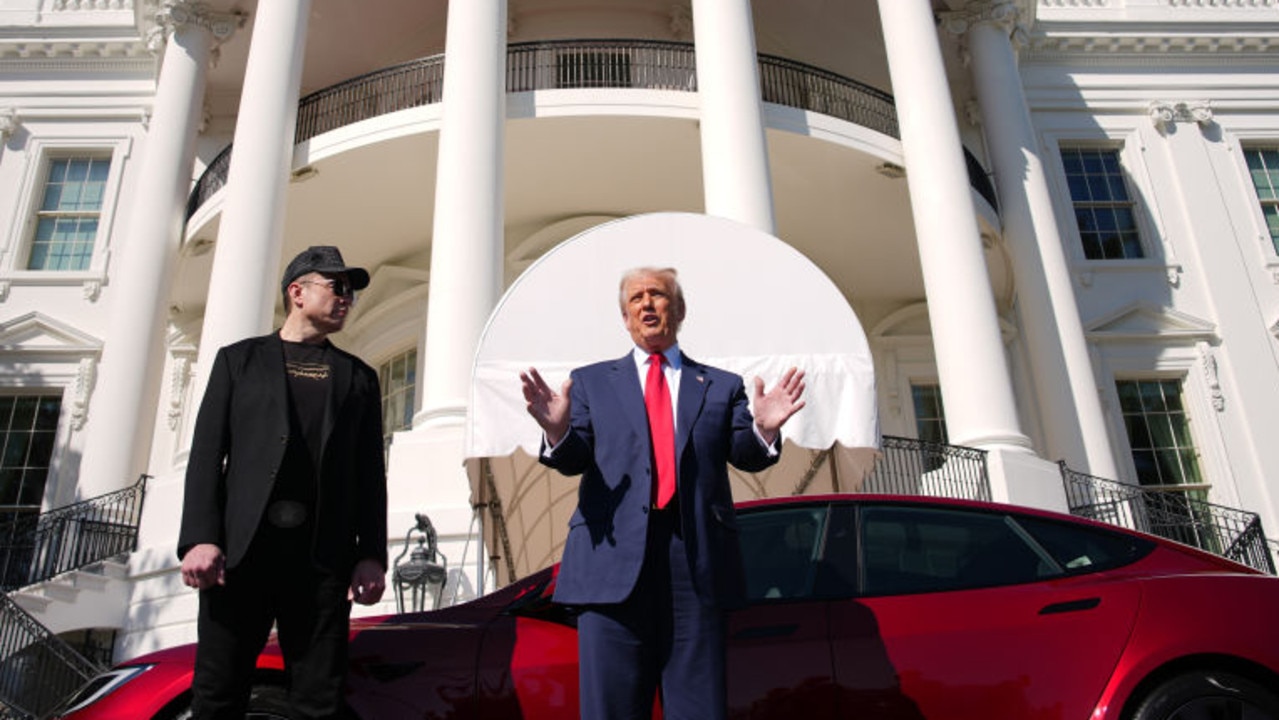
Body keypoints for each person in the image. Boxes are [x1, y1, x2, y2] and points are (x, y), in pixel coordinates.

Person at [520, 266, 806, 720]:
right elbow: (574, 459)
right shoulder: (592, 382)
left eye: (658, 295)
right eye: (636, 298)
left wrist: (764, 429)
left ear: (680, 310)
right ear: (626, 316)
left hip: (694, 566)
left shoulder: (720, 385)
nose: (647, 304)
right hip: (611, 567)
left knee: (699, 709)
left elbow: (744, 453)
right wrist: (557, 432)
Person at [177, 245, 388, 720]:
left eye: (350, 292)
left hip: (321, 564)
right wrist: (200, 538)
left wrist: (371, 552)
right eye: (337, 287)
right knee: (217, 693)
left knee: (319, 701)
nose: (346, 299)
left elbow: (370, 474)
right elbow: (208, 455)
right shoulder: (238, 361)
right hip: (240, 557)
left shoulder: (359, 378)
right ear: (297, 291)